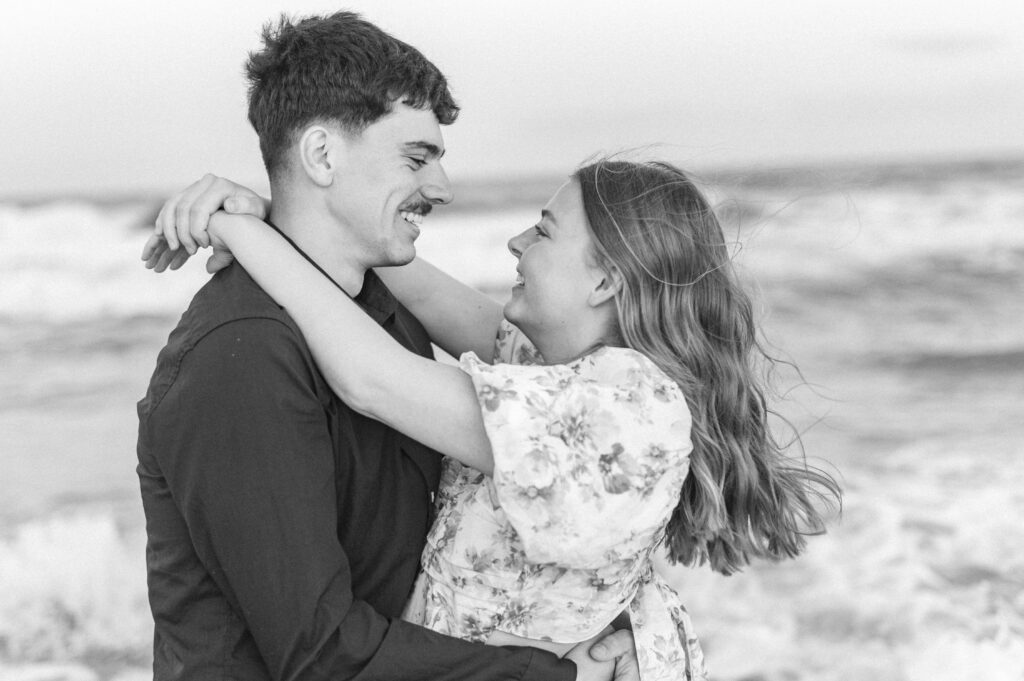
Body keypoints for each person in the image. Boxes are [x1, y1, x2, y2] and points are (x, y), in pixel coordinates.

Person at [145, 158, 842, 680]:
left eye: (543, 231)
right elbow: (410, 283)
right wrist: (287, 214)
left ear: (605, 281)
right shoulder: (552, 371)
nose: (515, 242)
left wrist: (235, 226)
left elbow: (371, 379)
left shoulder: (625, 407)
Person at [136, 11, 636, 681]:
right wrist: (552, 675)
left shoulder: (385, 315)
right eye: (416, 157)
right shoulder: (241, 357)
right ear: (321, 156)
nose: (442, 188)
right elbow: (320, 655)